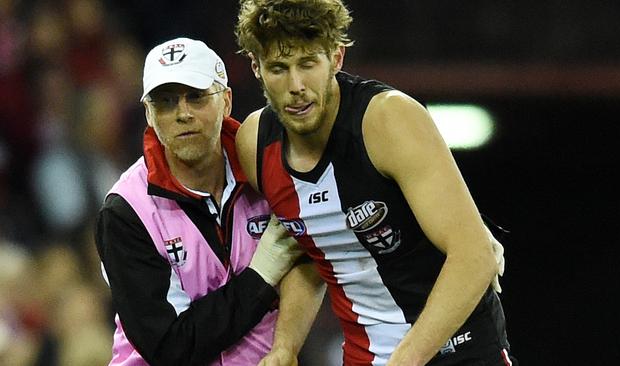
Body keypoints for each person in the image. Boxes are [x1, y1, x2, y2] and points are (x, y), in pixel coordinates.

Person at [234, 1, 516, 365]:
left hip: (458, 351)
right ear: (256, 68)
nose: (296, 86)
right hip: (364, 356)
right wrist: (286, 346)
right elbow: (309, 250)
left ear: (336, 58)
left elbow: (475, 258)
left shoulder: (388, 121)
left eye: (308, 64)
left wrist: (405, 360)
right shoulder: (255, 144)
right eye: (278, 68)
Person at [95, 37, 322, 366]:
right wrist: (263, 273)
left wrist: (285, 346)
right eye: (166, 102)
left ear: (226, 101)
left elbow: (308, 263)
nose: (182, 114)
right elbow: (170, 348)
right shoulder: (126, 213)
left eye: (197, 97)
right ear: (148, 114)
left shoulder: (271, 170)